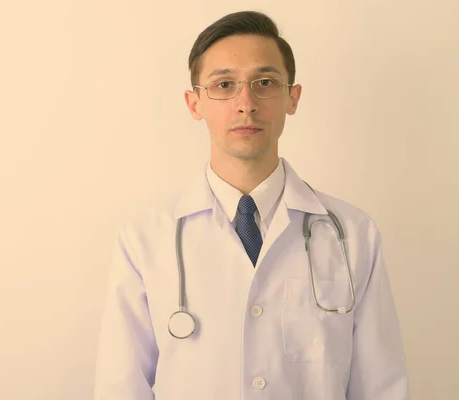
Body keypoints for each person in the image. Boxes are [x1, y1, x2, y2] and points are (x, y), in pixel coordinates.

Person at [93, 10, 410, 400]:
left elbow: (381, 387)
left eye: (265, 83)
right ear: (195, 104)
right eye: (224, 84)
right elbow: (121, 388)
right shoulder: (145, 240)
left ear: (292, 98)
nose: (246, 103)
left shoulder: (354, 234)